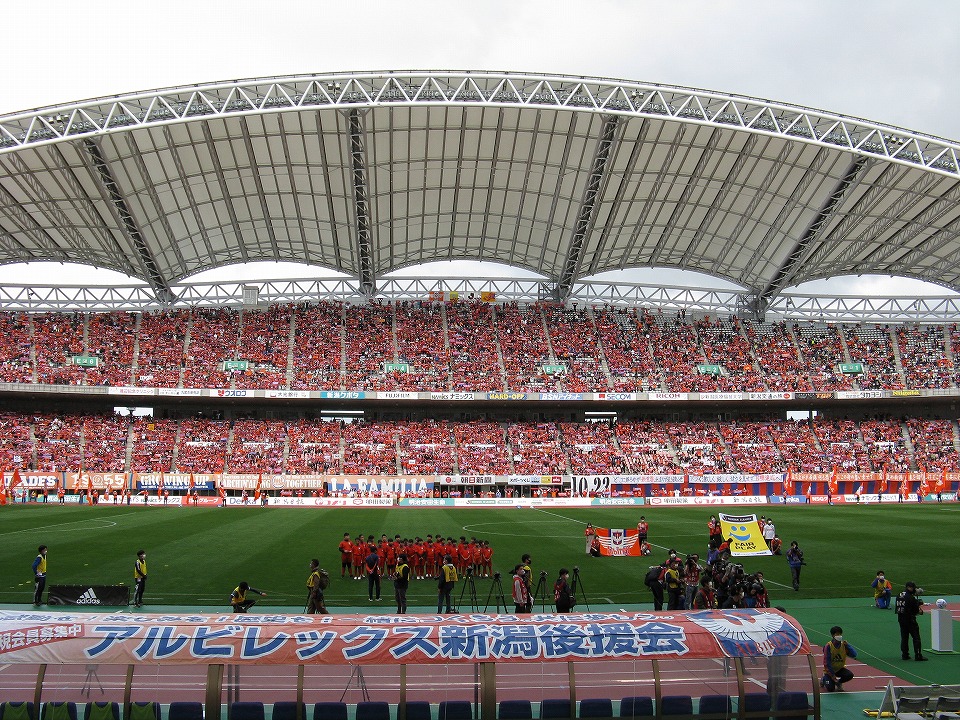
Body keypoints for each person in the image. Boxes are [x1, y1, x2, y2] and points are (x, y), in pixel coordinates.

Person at [895, 581, 928, 661]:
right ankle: (918, 655)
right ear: (910, 588)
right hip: (910, 619)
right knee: (916, 637)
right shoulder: (910, 597)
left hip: (901, 618)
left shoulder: (899, 595)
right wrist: (918, 607)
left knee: (904, 637)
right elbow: (915, 610)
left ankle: (905, 654)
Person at [821, 626, 857, 692]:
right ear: (833, 635)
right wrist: (832, 676)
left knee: (849, 675)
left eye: (840, 634)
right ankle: (824, 679)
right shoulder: (828, 646)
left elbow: (854, 654)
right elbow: (827, 663)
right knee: (830, 689)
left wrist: (848, 646)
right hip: (829, 671)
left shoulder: (844, 645)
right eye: (837, 634)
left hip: (840, 669)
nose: (839, 636)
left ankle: (839, 683)